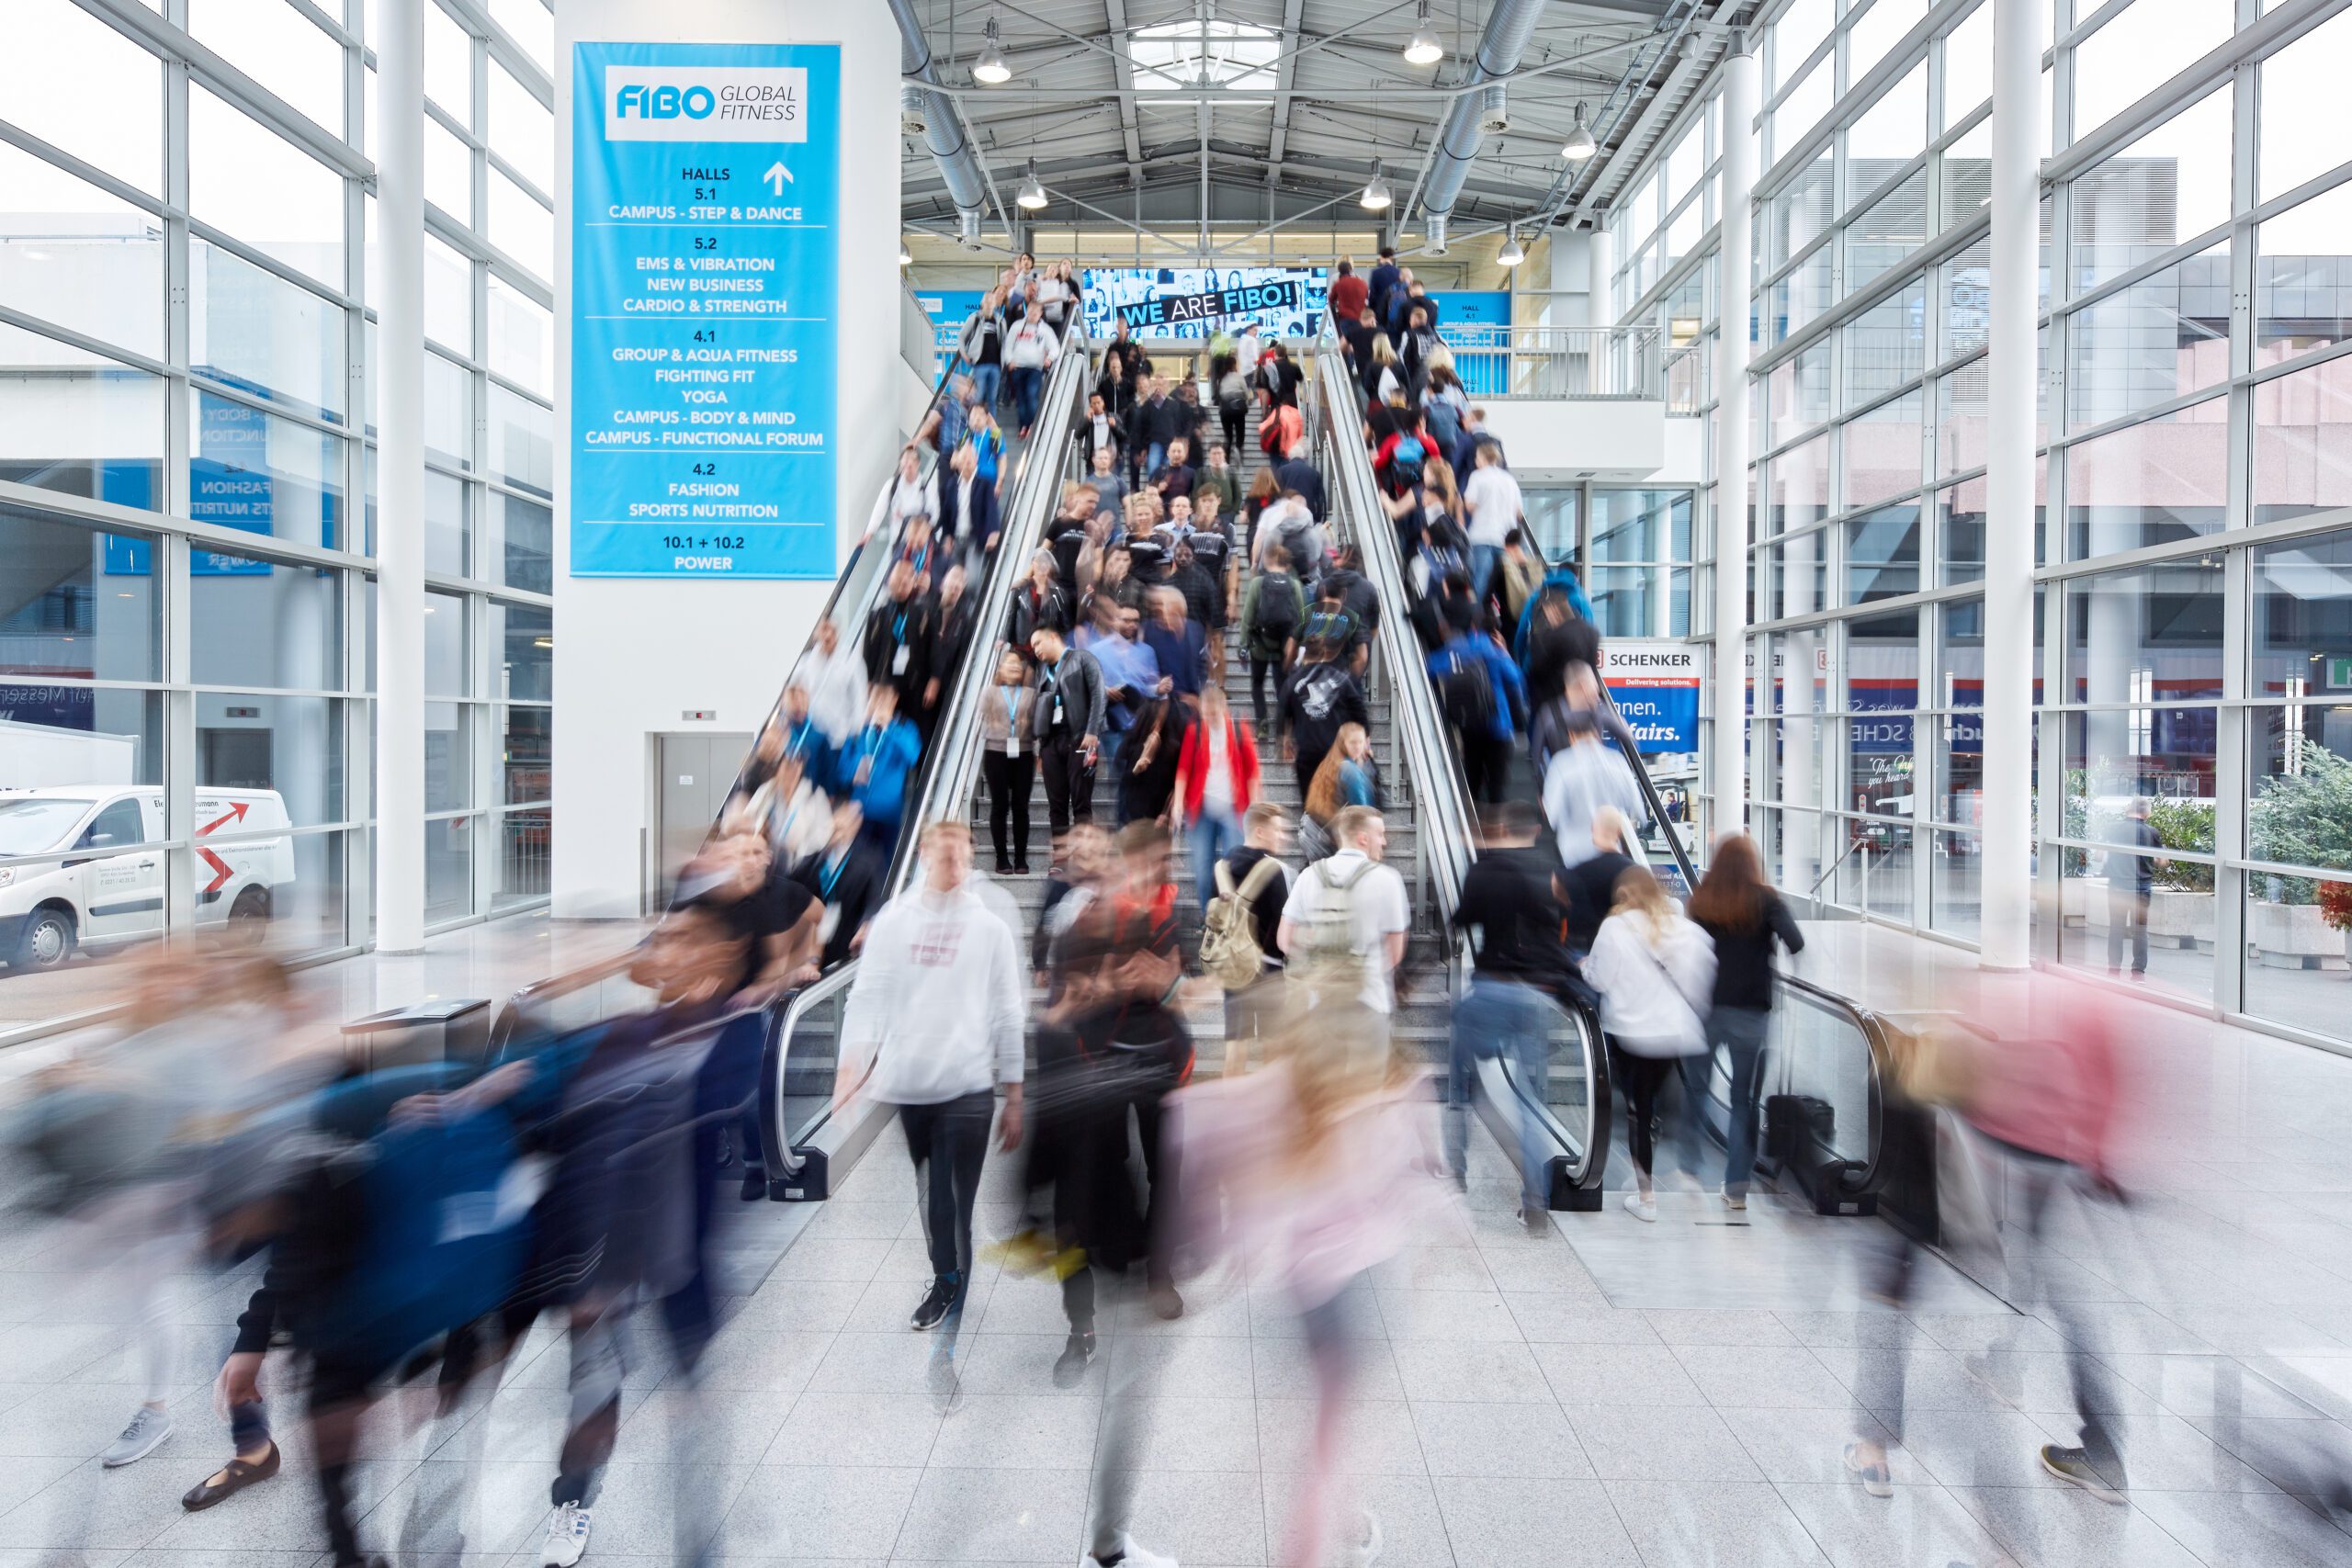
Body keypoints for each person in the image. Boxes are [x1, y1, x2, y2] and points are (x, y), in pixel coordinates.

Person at [840, 820, 1026, 1334]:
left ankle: (947, 1281)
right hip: (911, 1085)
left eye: (963, 855)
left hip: (968, 1085)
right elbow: (867, 996)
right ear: (924, 854)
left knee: (948, 1192)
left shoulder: (989, 928)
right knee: (930, 1187)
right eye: (945, 855)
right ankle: (949, 1268)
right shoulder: (894, 922)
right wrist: (849, 1066)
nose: (955, 864)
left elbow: (1009, 1012)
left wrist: (1014, 1094)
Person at [1447, 800, 1571, 1228]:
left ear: (1499, 830)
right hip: (1531, 995)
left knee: (1458, 1083)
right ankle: (1535, 1201)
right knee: (1528, 1102)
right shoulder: (1546, 874)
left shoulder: (1484, 872)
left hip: (1488, 988)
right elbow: (1553, 931)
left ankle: (1456, 1173)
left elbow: (1461, 919)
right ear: (1534, 831)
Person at [1584, 866, 1714, 1223]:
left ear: (1624, 893)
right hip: (1671, 1034)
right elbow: (1703, 974)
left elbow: (1599, 979)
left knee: (1637, 1111)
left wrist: (1584, 967)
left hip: (1631, 1034)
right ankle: (1644, 1172)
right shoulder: (1682, 928)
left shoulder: (1615, 927)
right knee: (1649, 1108)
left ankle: (1646, 1196)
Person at [1687, 834, 1804, 1211]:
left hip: (1706, 1008)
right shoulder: (1766, 899)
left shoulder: (1703, 898)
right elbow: (1796, 941)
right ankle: (1736, 1187)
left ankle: (1688, 1171)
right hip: (1752, 1013)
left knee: (1696, 1090)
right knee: (1743, 1101)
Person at [1277, 805, 1411, 1031]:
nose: (1384, 842)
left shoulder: (1309, 875)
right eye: (1380, 834)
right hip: (1370, 1004)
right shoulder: (1388, 879)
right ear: (1363, 838)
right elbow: (1395, 954)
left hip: (1320, 1003)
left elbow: (1284, 940)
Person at [1208, 801, 1294, 1075]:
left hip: (1234, 966)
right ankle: (1268, 1100)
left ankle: (1230, 1101)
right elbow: (1284, 925)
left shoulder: (1220, 868)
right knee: (1273, 1046)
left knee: (1236, 1047)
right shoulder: (1275, 870)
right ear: (1259, 831)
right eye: (1278, 830)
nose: (1283, 837)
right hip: (1270, 969)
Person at [1168, 685, 1261, 910]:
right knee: (1202, 868)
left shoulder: (1239, 730)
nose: (1209, 719)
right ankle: (1207, 916)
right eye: (1205, 714)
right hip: (1201, 811)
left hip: (1234, 809)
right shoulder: (1195, 731)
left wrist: (1255, 808)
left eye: (1213, 714)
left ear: (1223, 708)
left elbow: (1252, 772)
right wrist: (1178, 803)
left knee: (1233, 868)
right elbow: (1183, 770)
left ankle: (1230, 917)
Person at [1429, 610, 1529, 805]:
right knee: (1496, 789)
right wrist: (1505, 654)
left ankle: (1472, 819)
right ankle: (1495, 820)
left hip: (1469, 726)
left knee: (1472, 784)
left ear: (1473, 627)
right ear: (1496, 631)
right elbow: (1516, 679)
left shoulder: (1460, 649)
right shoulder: (1496, 653)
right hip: (1499, 728)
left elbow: (1431, 667)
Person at [789, 799, 888, 970]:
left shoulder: (871, 858)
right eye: (837, 823)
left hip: (845, 940)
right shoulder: (812, 860)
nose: (841, 829)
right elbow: (792, 888)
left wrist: (866, 924)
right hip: (810, 943)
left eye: (847, 822)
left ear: (857, 824)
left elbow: (875, 897)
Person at [1544, 709, 1645, 870]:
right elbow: (1639, 811)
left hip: (1575, 854)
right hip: (1612, 851)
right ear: (1597, 733)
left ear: (1571, 735)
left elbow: (1553, 816)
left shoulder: (1561, 764)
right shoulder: (1617, 761)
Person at [1031, 624, 1107, 836]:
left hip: (1080, 738)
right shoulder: (1042, 671)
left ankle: (1084, 854)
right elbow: (1039, 710)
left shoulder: (1083, 658)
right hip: (1050, 742)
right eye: (1033, 646)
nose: (1035, 650)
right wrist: (1039, 749)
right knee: (1056, 805)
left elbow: (1099, 694)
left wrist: (1092, 731)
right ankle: (1061, 855)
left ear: (1053, 637)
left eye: (1038, 643)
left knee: (1081, 803)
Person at [1281, 636, 1371, 805]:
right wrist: (1365, 737)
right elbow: (1358, 708)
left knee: (1310, 802)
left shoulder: (1292, 681)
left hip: (1307, 750)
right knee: (1337, 801)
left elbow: (1284, 711)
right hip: (1335, 750)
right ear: (1324, 654)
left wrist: (1285, 739)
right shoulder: (1340, 679)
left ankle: (1310, 818)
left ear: (1304, 654)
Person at [833, 684, 923, 853]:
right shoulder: (858, 730)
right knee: (855, 861)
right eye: (876, 697)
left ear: (894, 700)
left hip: (888, 814)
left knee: (885, 863)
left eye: (885, 697)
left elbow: (912, 756)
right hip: (858, 812)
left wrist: (889, 727)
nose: (880, 702)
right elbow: (842, 771)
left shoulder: (905, 727)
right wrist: (853, 772)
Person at [979, 649, 1041, 874]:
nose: (1014, 666)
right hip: (995, 753)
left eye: (1018, 663)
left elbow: (1037, 725)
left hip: (1024, 753)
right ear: (1000, 669)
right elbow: (981, 718)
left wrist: (1039, 753)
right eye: (1009, 663)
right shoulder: (990, 692)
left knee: (1021, 806)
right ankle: (1002, 858)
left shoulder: (1031, 694)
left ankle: (1021, 858)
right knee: (1000, 805)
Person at [1240, 543, 1307, 732]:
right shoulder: (1295, 585)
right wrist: (1298, 645)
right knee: (1282, 687)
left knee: (1257, 684)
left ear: (1268, 560)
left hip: (1260, 644)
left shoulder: (1257, 583)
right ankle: (1282, 728)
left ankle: (1262, 723)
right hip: (1285, 646)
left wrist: (1243, 644)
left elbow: (1248, 617)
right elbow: (1302, 617)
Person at [1557, 807, 1639, 956]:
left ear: (1593, 829)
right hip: (1619, 947)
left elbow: (1557, 888)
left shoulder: (1579, 870)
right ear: (1619, 832)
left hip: (1583, 947)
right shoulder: (1635, 871)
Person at [864, 560, 936, 721]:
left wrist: (934, 680)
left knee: (907, 727)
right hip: (883, 685)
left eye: (907, 580)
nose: (902, 583)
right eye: (898, 579)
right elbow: (868, 654)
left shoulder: (922, 614)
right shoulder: (877, 615)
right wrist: (868, 682)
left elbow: (932, 650)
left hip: (912, 685)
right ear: (890, 580)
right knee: (879, 725)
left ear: (913, 584)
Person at [2106, 796, 2164, 979]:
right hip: (2141, 888)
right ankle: (2138, 972)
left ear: (2128, 809)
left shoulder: (2113, 828)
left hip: (2117, 886)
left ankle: (2113, 969)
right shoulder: (2151, 832)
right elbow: (2162, 861)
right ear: (2147, 812)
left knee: (2116, 928)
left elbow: (2098, 855)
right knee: (2140, 929)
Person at [1462, 438, 1523, 607]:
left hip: (1482, 536)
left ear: (1483, 458)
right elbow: (1519, 513)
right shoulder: (1509, 480)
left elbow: (1469, 505)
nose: (1476, 461)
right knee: (1507, 588)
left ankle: (1474, 618)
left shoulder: (1477, 476)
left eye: (1477, 457)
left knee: (1479, 585)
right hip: (1505, 541)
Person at [791, 615, 868, 746]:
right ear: (816, 633)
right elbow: (792, 694)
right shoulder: (805, 663)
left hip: (841, 737)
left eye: (832, 630)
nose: (828, 635)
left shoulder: (852, 660)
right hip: (813, 736)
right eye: (824, 630)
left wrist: (855, 733)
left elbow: (859, 698)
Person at [1304, 722, 1378, 853]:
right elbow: (1362, 810)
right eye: (1353, 742)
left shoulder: (1331, 762)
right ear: (1343, 743)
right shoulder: (1350, 769)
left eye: (1360, 742)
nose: (1357, 747)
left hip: (1314, 834)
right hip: (1330, 840)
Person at [1117, 692, 1186, 829]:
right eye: (1154, 723)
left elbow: (1174, 783)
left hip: (1159, 815)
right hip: (1133, 814)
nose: (1157, 728)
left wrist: (1166, 813)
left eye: (1160, 723)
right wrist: (1138, 765)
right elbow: (1123, 780)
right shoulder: (1131, 743)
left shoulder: (1171, 747)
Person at [1002, 296, 1060, 439]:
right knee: (1020, 400)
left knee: (1031, 395)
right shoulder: (1017, 326)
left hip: (1035, 368)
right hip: (1018, 367)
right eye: (1030, 311)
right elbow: (1008, 346)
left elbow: (1055, 348)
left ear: (1040, 313)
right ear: (1027, 311)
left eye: (1036, 312)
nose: (1033, 314)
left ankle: (1033, 425)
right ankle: (1024, 426)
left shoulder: (1045, 329)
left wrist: (1049, 358)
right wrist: (1009, 361)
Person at [1141, 584, 1207, 700]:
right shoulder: (1146, 630)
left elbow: (1203, 666)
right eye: (1157, 605)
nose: (1162, 609)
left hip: (1193, 701)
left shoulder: (1196, 629)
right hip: (1162, 702)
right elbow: (1142, 671)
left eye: (1165, 604)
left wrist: (1203, 693)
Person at [936, 439, 999, 556]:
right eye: (964, 459)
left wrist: (993, 532)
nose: (967, 462)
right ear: (959, 464)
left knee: (972, 567)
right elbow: (946, 514)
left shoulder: (985, 484)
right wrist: (947, 536)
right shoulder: (951, 485)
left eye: (970, 458)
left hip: (976, 540)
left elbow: (991, 510)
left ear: (976, 461)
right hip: (957, 539)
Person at [867, 446, 937, 543]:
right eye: (904, 465)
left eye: (910, 465)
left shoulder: (926, 485)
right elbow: (880, 508)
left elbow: (934, 513)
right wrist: (869, 532)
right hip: (898, 541)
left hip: (918, 542)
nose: (907, 469)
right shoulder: (892, 484)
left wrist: (907, 517)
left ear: (917, 464)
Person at [1007, 548, 1070, 652]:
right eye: (1039, 561)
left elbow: (1065, 623)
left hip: (1045, 646)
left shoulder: (1058, 593)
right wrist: (1004, 638)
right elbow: (1012, 614)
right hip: (1023, 644)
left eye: (1046, 562)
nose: (1043, 565)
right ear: (1033, 563)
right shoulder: (1021, 588)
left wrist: (1059, 645)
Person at [1085, 439, 1130, 519]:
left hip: (1115, 526)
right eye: (1100, 458)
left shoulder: (1118, 481)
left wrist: (1129, 521)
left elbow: (1127, 504)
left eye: (1105, 458)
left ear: (1109, 460)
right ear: (1093, 460)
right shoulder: (1088, 482)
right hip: (1094, 525)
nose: (1103, 460)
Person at [1366, 243, 1402, 330]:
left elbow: (1372, 294)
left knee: (1381, 333)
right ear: (1391, 258)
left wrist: (1371, 309)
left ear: (1381, 257)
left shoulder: (1376, 272)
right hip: (1395, 309)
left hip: (1379, 310)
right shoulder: (1399, 272)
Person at [1329, 255, 1367, 323]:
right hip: (1358, 313)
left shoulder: (1335, 278)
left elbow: (1331, 297)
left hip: (1342, 313)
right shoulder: (1358, 277)